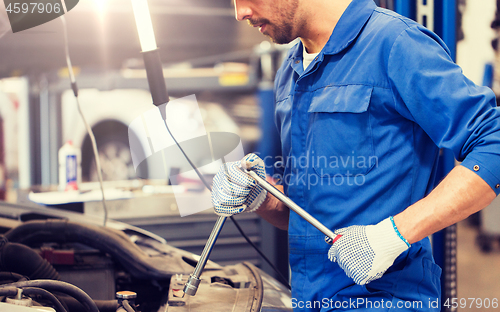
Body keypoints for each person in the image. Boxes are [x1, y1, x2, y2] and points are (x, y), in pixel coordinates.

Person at [211, 0, 500, 311]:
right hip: (308, 298)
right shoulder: (290, 74)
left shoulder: (396, 45)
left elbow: (493, 143)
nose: (239, 13)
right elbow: (307, 213)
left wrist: (393, 235)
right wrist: (261, 197)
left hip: (387, 300)